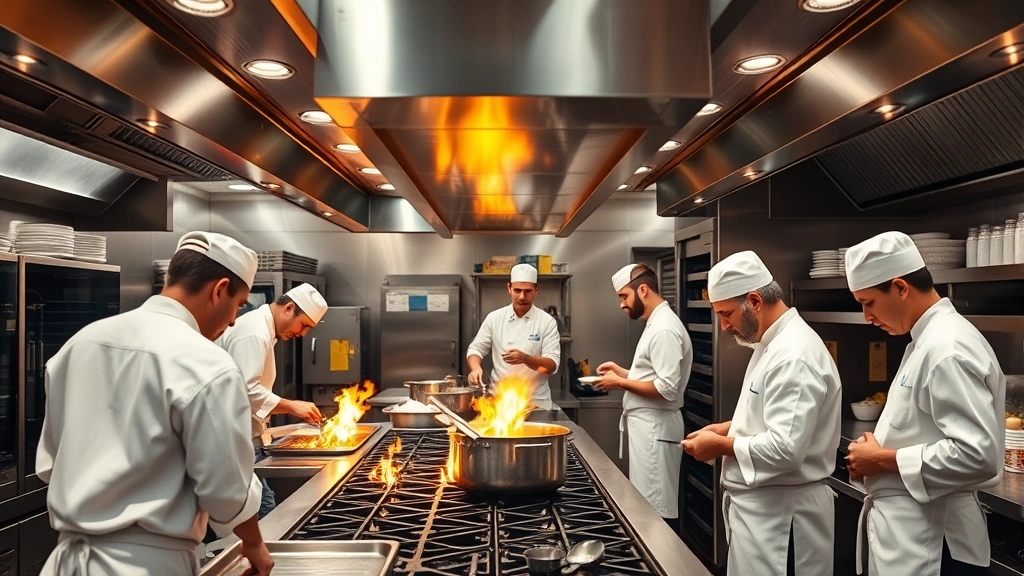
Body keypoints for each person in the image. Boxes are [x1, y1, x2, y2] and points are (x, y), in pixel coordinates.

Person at [36, 231, 274, 575]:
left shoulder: (80, 343)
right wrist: (253, 544)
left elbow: (51, 463)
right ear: (219, 289)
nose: (234, 320)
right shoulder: (207, 363)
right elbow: (226, 491)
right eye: (238, 305)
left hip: (67, 562)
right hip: (149, 564)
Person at [843, 231, 1004, 576]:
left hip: (935, 548)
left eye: (868, 302)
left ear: (901, 288)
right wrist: (875, 453)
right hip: (911, 538)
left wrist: (883, 459)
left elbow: (978, 455)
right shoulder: (925, 340)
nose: (866, 316)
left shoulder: (948, 348)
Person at [683, 250, 841, 575]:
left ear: (754, 301)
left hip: (785, 524)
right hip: (764, 518)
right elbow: (765, 416)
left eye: (727, 314)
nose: (724, 326)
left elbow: (786, 448)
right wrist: (725, 429)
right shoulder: (768, 344)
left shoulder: (793, 354)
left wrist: (720, 446)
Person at [593, 263, 690, 533]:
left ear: (643, 289)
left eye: (624, 296)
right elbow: (654, 375)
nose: (622, 304)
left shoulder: (664, 329)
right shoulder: (655, 323)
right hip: (649, 431)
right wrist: (622, 372)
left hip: (655, 432)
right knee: (648, 506)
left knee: (656, 511)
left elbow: (667, 388)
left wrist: (620, 382)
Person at [217, 282, 327, 518]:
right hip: (231, 439)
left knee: (262, 506)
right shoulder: (255, 333)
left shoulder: (263, 330)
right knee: (254, 512)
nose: (302, 334)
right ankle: (242, 552)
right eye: (304, 325)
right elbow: (246, 390)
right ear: (288, 309)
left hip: (244, 436)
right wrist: (292, 406)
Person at [467, 263, 561, 409]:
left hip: (535, 403)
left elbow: (551, 365)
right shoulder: (495, 318)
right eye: (517, 290)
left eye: (528, 291)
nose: (522, 296)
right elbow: (476, 349)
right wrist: (475, 368)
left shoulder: (546, 321)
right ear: (509, 288)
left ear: (536, 290)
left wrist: (526, 359)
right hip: (498, 402)